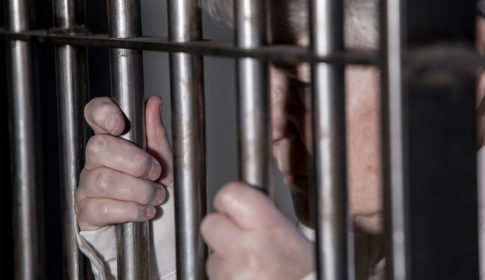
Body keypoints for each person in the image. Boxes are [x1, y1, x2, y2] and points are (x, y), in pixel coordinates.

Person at [75, 0, 483, 279]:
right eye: (259, 74)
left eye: (306, 84)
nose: (268, 128)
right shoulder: (369, 216)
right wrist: (149, 240)